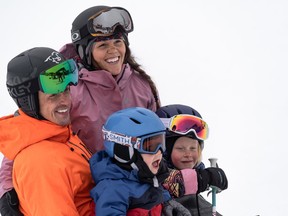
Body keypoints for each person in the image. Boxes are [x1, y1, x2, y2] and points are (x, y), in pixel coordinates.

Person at [0, 6, 162, 214]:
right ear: (86, 50)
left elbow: (157, 136)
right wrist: (8, 188)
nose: (113, 51)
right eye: (103, 45)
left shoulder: (141, 85)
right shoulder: (69, 89)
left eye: (118, 42)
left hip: (139, 191)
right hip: (93, 194)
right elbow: (28, 133)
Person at [0, 47, 95, 215]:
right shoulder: (41, 163)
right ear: (28, 101)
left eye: (66, 90)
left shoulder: (59, 134)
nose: (65, 101)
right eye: (53, 95)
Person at [89, 107, 191, 216]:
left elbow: (155, 189)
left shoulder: (143, 173)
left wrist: (166, 202)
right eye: (150, 146)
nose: (159, 152)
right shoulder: (114, 189)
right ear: (125, 151)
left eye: (161, 142)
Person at [156, 104, 228, 216]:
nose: (188, 154)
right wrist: (203, 178)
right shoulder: (153, 174)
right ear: (164, 151)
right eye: (180, 148)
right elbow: (168, 181)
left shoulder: (196, 182)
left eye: (193, 148)